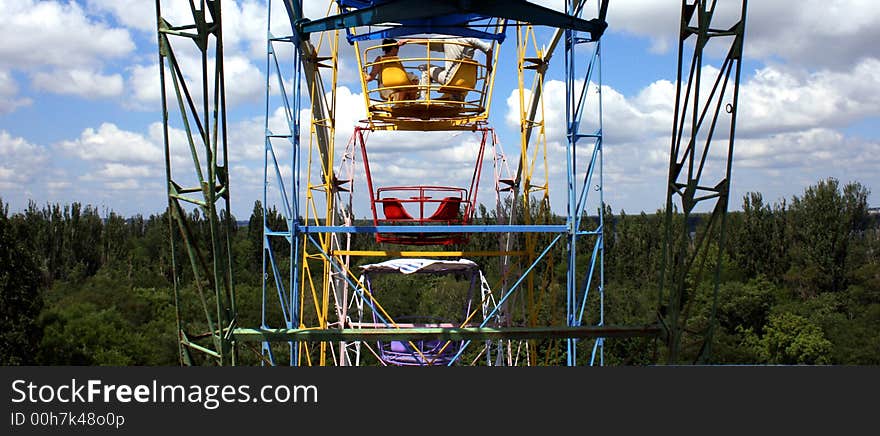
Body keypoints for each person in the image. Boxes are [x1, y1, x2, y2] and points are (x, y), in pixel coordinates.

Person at [398, 36, 493, 100]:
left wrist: (408, 40)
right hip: (468, 81)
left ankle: (424, 99)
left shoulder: (448, 40)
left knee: (426, 68)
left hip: (450, 80)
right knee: (452, 71)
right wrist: (489, 66)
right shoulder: (471, 39)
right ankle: (456, 97)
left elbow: (426, 42)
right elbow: (489, 49)